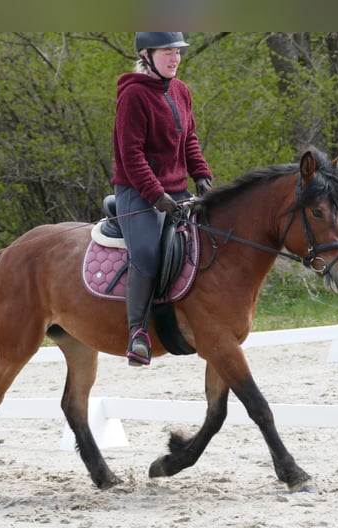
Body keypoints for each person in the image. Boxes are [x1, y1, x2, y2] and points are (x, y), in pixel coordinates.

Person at [111, 32, 213, 366]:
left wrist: (201, 174)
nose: (174, 59)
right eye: (167, 52)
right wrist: (156, 196)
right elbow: (131, 155)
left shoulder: (181, 90)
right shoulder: (133, 96)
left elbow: (190, 140)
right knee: (147, 254)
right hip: (137, 193)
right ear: (147, 54)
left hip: (178, 191)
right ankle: (137, 334)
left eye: (178, 52)